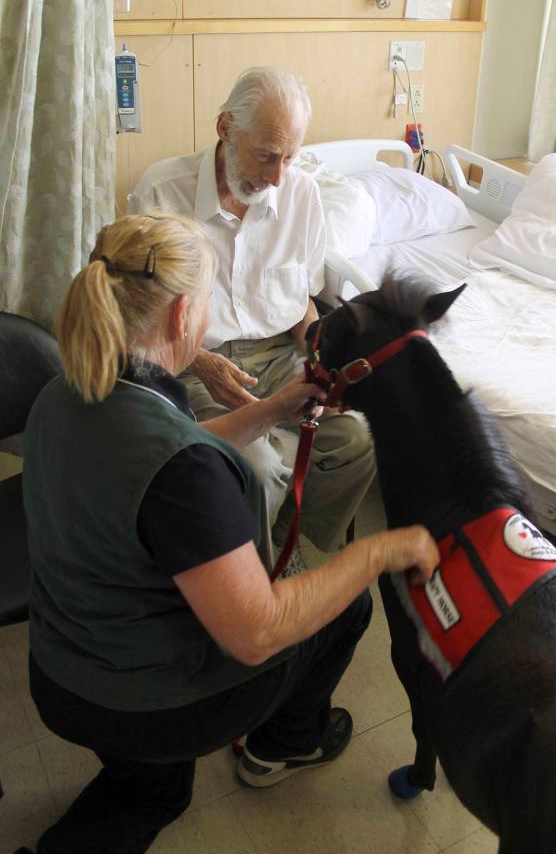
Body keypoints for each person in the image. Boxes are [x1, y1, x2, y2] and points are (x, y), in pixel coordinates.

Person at [20, 212, 439, 854]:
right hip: (137, 701)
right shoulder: (182, 471)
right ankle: (285, 744)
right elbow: (258, 632)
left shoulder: (68, 392)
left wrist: (272, 410)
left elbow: (160, 459)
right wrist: (378, 550)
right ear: (184, 314)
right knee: (345, 606)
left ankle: (143, 778)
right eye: (212, 296)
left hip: (59, 671)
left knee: (154, 793)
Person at [129, 67, 376, 565]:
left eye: (291, 156)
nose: (277, 176)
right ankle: (251, 583)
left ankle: (282, 546)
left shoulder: (301, 194)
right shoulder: (163, 193)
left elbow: (302, 303)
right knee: (255, 469)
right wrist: (201, 363)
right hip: (194, 361)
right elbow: (141, 319)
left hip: (280, 353)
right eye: (266, 154)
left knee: (357, 439)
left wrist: (325, 363)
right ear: (225, 128)